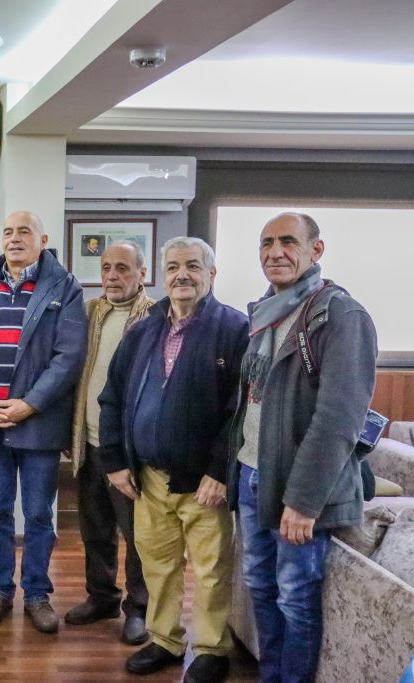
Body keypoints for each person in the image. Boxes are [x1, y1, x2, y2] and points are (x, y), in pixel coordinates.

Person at [229, 212, 377, 683]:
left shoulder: (340, 315)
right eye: (267, 242)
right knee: (260, 586)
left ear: (316, 249)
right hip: (253, 474)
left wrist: (303, 501)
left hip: (298, 489)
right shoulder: (265, 313)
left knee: (295, 596)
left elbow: (339, 420)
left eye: (288, 241)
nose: (275, 251)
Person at [99, 236, 248, 683]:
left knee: (210, 570)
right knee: (157, 566)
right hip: (149, 478)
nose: (181, 275)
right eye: (173, 267)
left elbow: (239, 409)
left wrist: (220, 471)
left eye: (193, 266)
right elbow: (112, 398)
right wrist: (115, 461)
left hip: (204, 483)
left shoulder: (234, 329)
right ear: (161, 274)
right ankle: (164, 639)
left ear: (211, 274)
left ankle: (210, 648)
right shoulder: (144, 329)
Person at [0, 211, 87, 633]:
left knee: (38, 514)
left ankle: (37, 594)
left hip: (38, 422)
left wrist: (29, 404)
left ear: (43, 239)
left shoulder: (64, 287)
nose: (15, 239)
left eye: (24, 232)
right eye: (9, 232)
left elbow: (68, 356)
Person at [65, 240, 154, 645]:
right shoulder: (91, 311)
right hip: (91, 441)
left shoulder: (156, 316)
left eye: (122, 268)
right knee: (95, 529)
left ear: (142, 272)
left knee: (136, 535)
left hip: (130, 451)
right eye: (106, 268)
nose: (112, 277)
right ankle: (101, 596)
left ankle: (138, 608)